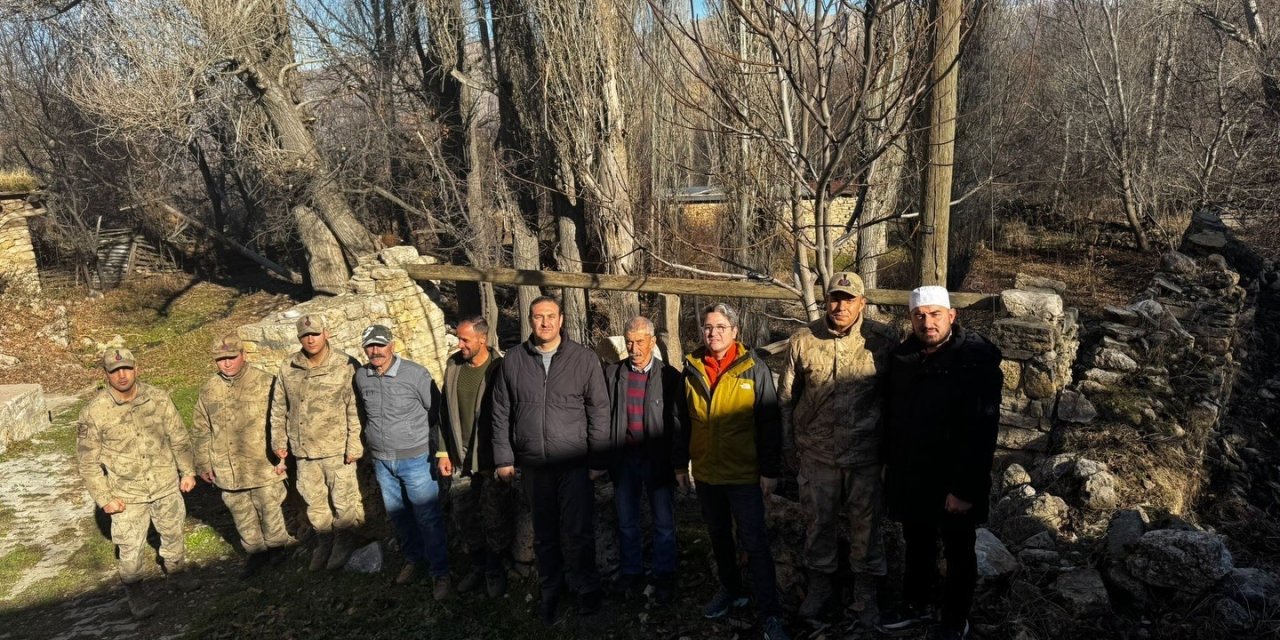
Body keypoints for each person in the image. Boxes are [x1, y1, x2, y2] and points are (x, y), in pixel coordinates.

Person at [878, 286, 1003, 640]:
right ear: (911, 319)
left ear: (951, 315)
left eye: (934, 314)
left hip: (954, 477)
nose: (927, 322)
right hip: (912, 475)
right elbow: (894, 417)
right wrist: (890, 466)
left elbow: (982, 430)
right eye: (919, 316)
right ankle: (916, 604)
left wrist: (964, 489)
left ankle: (954, 618)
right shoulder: (903, 359)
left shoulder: (975, 360)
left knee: (958, 550)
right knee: (917, 543)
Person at [778, 272, 897, 622]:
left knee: (867, 525)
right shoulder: (804, 339)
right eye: (834, 297)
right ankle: (820, 588)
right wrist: (789, 448)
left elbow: (895, 398)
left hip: (865, 454)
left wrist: (891, 452)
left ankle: (865, 593)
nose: (840, 305)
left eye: (848, 298)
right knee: (818, 523)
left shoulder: (882, 341)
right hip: (817, 453)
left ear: (862, 302)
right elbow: (787, 397)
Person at [491, 296, 610, 623]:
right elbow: (501, 412)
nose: (544, 323)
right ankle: (551, 592)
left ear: (561, 320)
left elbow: (599, 411)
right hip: (534, 465)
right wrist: (503, 457)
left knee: (578, 531)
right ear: (530, 320)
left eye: (550, 316)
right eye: (538, 317)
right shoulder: (513, 360)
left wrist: (598, 458)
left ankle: (586, 590)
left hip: (573, 463)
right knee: (544, 534)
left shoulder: (583, 360)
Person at [679, 302, 789, 640]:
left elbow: (770, 423)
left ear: (735, 331)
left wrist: (770, 471)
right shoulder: (692, 367)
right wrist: (680, 464)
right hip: (708, 474)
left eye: (720, 327)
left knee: (754, 541)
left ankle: (770, 612)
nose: (713, 333)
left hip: (743, 474)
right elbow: (682, 422)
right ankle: (732, 590)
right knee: (718, 536)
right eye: (708, 327)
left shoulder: (752, 367)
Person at [76, 347, 198, 619]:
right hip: (127, 494)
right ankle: (135, 592)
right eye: (115, 371)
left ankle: (177, 573)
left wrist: (187, 471)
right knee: (130, 547)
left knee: (174, 532)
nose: (122, 375)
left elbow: (178, 437)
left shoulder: (158, 399)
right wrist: (105, 498)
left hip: (165, 484)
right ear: (105, 374)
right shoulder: (95, 412)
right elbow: (87, 462)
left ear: (137, 368)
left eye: (127, 368)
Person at [353, 324, 452, 599]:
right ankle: (413, 559)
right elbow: (364, 412)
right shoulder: (362, 376)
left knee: (428, 517)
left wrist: (425, 442)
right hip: (382, 462)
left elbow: (437, 411)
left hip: (416, 459)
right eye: (370, 346)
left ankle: (440, 572)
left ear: (392, 346)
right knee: (399, 517)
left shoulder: (415, 374)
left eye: (380, 345)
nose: (375, 351)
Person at [270, 314, 365, 572]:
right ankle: (325, 541)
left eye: (315, 333)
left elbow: (354, 408)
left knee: (343, 500)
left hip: (336, 449)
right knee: (315, 502)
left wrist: (354, 444)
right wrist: (278, 442)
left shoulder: (345, 364)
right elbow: (279, 406)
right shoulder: (289, 366)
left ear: (327, 333)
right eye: (305, 335)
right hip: (304, 451)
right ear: (299, 338)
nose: (310, 339)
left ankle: (344, 540)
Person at [192, 334, 290, 579]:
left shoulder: (266, 382)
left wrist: (282, 457)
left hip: (261, 463)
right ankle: (255, 553)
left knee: (269, 507)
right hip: (229, 468)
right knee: (240, 511)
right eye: (220, 359)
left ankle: (279, 549)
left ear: (243, 355)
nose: (226, 363)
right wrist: (203, 462)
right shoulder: (209, 389)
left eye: (231, 357)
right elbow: (201, 428)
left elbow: (281, 421)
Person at [602, 316, 685, 605]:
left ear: (652, 341)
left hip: (657, 460)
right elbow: (603, 418)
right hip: (624, 460)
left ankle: (664, 574)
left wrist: (678, 463)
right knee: (627, 521)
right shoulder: (613, 374)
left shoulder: (669, 377)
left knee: (663, 522)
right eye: (629, 342)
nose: (634, 348)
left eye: (639, 341)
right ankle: (631, 572)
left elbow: (677, 424)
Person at [436, 316, 515, 599]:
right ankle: (478, 564)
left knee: (495, 514)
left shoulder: (501, 368)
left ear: (482, 339)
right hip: (461, 456)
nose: (460, 344)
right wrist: (443, 451)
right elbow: (444, 413)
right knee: (464, 513)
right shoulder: (453, 366)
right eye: (458, 338)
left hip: (491, 456)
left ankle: (495, 568)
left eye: (465, 339)